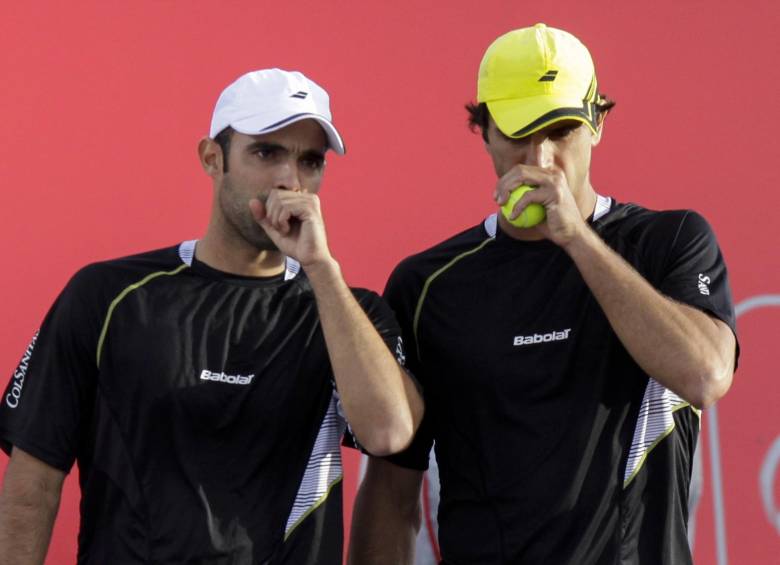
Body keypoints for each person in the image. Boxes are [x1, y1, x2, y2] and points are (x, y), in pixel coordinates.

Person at [349, 23, 738, 565]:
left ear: (598, 123)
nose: (542, 157)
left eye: (561, 130)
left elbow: (705, 374)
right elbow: (392, 493)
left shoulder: (667, 242)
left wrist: (576, 237)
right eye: (518, 133)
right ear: (482, 130)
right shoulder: (427, 285)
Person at [0, 68, 423, 565]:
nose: (291, 180)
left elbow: (390, 433)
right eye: (266, 153)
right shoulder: (107, 296)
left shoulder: (349, 313)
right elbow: (33, 484)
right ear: (212, 158)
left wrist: (321, 269)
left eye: (310, 161)